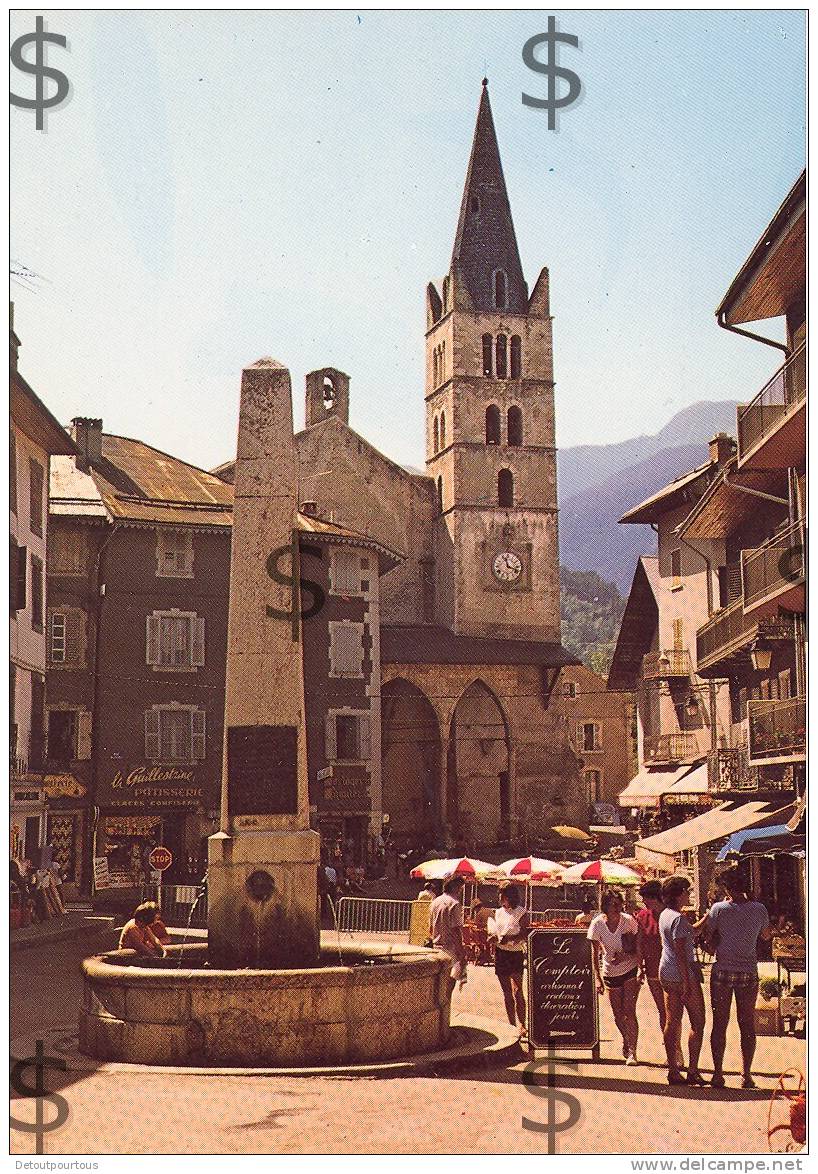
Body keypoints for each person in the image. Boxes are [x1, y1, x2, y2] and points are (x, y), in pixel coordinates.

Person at [705, 866, 770, 1089]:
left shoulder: (718, 908)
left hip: (722, 969)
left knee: (720, 1023)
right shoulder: (760, 909)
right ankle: (746, 1074)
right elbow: (765, 935)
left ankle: (717, 1073)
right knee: (747, 1024)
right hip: (748, 970)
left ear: (728, 887)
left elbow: (708, 935)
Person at [658, 876, 705, 1086]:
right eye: (687, 891)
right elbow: (680, 953)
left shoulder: (666, 915)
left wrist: (706, 919)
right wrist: (687, 982)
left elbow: (691, 931)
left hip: (666, 971)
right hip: (681, 974)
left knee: (672, 1021)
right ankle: (692, 1070)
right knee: (698, 1021)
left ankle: (673, 1069)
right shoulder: (678, 918)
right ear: (679, 894)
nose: (688, 894)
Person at [588, 890, 640, 1064]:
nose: (617, 907)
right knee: (617, 1014)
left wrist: (627, 957)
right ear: (606, 905)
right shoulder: (597, 924)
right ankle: (626, 1039)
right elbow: (594, 954)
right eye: (613, 904)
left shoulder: (628, 921)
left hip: (629, 969)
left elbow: (638, 947)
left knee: (629, 1010)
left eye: (619, 903)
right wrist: (597, 978)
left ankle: (633, 1050)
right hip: (610, 971)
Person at [488, 883, 529, 1039]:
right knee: (506, 992)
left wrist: (510, 938)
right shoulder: (497, 913)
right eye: (499, 894)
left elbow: (525, 934)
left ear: (510, 896)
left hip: (515, 954)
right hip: (500, 953)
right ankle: (511, 1025)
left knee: (518, 991)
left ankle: (523, 1024)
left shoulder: (521, 912)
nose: (500, 898)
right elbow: (494, 932)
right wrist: (492, 938)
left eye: (502, 894)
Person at [429, 875, 467, 989]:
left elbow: (430, 928)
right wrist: (461, 951)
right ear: (455, 887)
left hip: (436, 947)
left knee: (438, 985)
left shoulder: (435, 902)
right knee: (449, 986)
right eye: (460, 887)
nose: (461, 891)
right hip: (451, 949)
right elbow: (456, 930)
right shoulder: (454, 903)